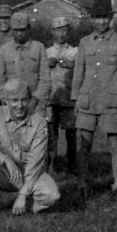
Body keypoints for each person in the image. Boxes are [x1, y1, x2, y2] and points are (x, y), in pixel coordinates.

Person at [0, 78, 60, 218]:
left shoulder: (39, 123)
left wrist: (22, 195)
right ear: (6, 101)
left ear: (29, 99)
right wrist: (6, 160)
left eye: (24, 100)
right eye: (14, 100)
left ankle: (29, 203)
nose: (20, 105)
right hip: (4, 172)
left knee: (52, 195)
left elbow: (35, 163)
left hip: (29, 173)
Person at [71, 0, 117, 197]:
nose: (101, 22)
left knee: (115, 145)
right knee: (84, 145)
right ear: (92, 19)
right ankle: (82, 183)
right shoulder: (84, 42)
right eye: (97, 18)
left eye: (105, 17)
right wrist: (75, 99)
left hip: (110, 102)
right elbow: (78, 72)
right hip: (87, 101)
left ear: (110, 18)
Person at [0, 12, 50, 117]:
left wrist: (34, 101)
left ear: (29, 28)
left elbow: (45, 79)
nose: (19, 34)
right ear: (11, 29)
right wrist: (6, 100)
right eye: (16, 30)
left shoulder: (38, 48)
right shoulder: (4, 50)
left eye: (22, 30)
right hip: (12, 106)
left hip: (35, 104)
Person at [45, 16, 78, 175]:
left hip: (69, 101)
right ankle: (51, 166)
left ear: (69, 31)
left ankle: (72, 167)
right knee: (51, 136)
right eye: (57, 30)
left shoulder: (75, 52)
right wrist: (46, 64)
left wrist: (73, 65)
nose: (61, 33)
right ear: (52, 32)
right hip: (51, 101)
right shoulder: (46, 52)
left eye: (64, 29)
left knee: (71, 135)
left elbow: (83, 72)